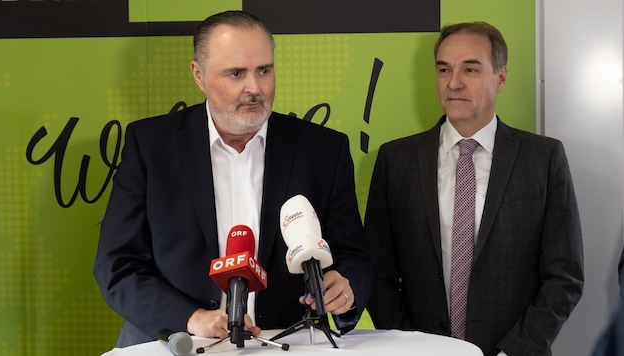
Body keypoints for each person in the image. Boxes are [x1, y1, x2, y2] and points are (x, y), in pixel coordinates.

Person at [93, 10, 372, 347]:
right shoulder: (150, 147)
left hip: (286, 344)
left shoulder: (324, 150)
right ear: (199, 75)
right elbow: (117, 266)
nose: (254, 88)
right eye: (236, 73)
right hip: (174, 343)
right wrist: (192, 318)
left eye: (264, 71)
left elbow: (352, 255)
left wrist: (347, 287)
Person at [364, 21, 583, 356]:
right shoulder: (396, 161)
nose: (454, 83)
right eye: (444, 69)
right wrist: (410, 347)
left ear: (501, 78)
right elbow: (378, 274)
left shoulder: (543, 159)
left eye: (470, 69)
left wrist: (515, 350)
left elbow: (564, 275)